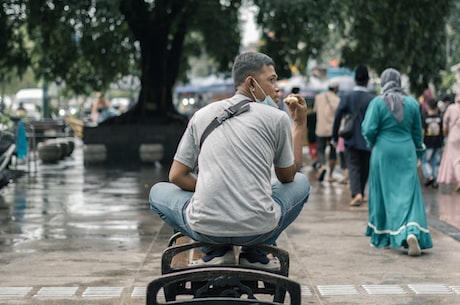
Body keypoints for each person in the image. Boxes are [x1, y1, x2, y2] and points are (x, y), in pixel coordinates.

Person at [149, 52, 310, 269]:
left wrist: (212, 188)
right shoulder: (278, 118)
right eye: (271, 80)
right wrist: (299, 125)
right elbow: (288, 176)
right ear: (251, 83)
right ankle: (256, 253)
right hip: (259, 229)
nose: (277, 87)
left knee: (157, 192)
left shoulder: (201, 115)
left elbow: (176, 175)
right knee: (302, 183)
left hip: (205, 228)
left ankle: (214, 251)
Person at [362, 68, 433, 256]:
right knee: (410, 193)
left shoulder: (377, 103)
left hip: (383, 151)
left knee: (382, 193)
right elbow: (418, 133)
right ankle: (411, 231)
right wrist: (418, 151)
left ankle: (382, 237)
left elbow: (368, 129)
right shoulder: (411, 103)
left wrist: (372, 142)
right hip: (406, 151)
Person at [332, 65, 375, 206]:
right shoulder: (372, 99)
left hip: (350, 138)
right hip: (367, 139)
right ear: (367, 80)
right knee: (364, 168)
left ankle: (357, 193)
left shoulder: (347, 96)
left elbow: (338, 116)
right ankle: (360, 192)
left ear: (355, 79)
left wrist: (334, 137)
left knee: (353, 167)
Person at [314, 79, 340, 182]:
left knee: (320, 150)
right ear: (336, 88)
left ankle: (323, 166)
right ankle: (330, 175)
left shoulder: (318, 97)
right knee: (333, 152)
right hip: (333, 130)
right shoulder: (337, 99)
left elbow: (316, 111)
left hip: (320, 129)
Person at [437, 92, 460, 192]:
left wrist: (445, 133)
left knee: (454, 160)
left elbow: (444, 122)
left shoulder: (451, 108)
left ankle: (458, 179)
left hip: (453, 136)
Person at [421, 98, 444, 188]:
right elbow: (442, 130)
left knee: (425, 161)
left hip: (428, 143)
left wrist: (421, 142)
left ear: (427, 107)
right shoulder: (439, 118)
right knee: (436, 162)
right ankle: (435, 180)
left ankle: (429, 175)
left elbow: (423, 132)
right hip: (438, 143)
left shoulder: (425, 118)